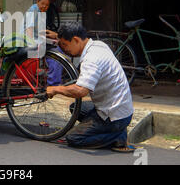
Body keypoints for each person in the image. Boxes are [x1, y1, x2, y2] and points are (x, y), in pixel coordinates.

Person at [46, 22, 136, 152]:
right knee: (75, 108)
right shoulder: (99, 45)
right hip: (122, 109)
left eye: (65, 44)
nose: (64, 49)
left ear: (76, 39)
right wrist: (59, 36)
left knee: (73, 138)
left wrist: (55, 88)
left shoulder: (91, 59)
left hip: (114, 116)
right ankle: (113, 130)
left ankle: (117, 137)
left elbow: (81, 90)